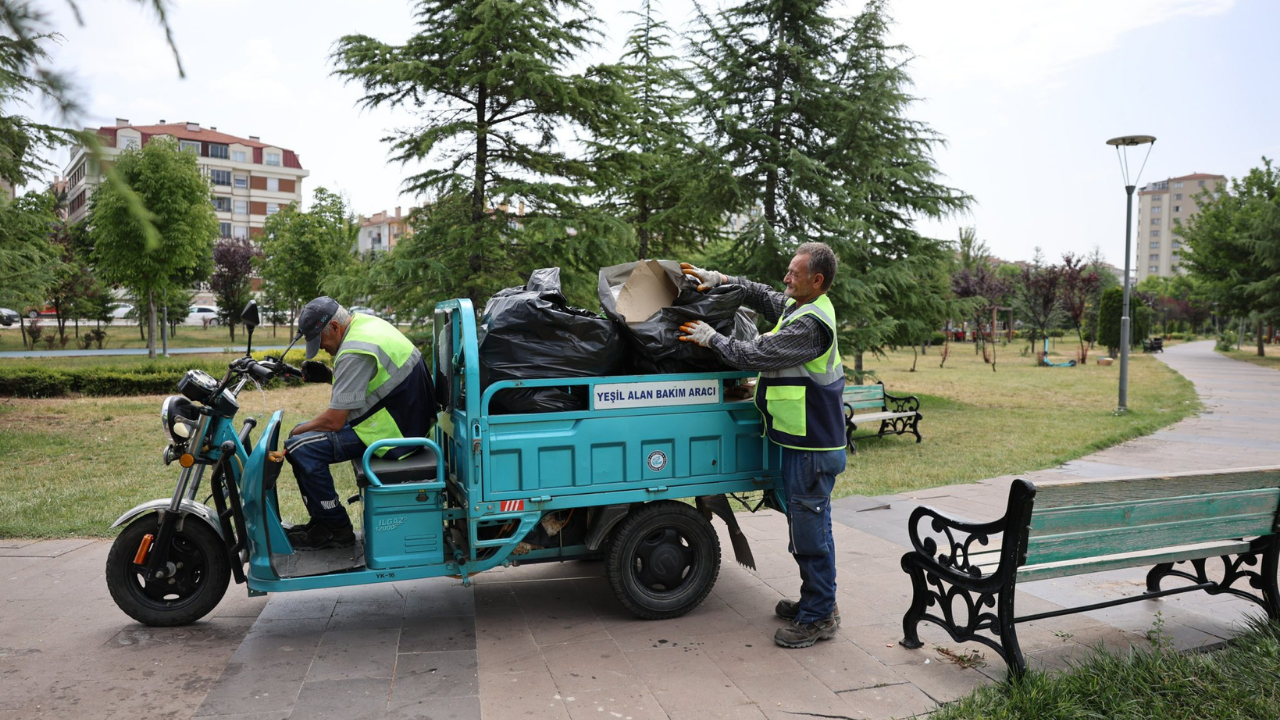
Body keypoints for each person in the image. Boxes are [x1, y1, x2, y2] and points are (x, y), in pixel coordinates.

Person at [678, 243, 847, 648]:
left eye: (793, 273)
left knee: (811, 532)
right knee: (807, 527)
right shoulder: (798, 305)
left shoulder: (810, 325)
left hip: (813, 446)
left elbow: (755, 353)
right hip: (801, 440)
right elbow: (760, 293)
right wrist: (719, 279)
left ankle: (820, 615)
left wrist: (711, 337)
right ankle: (817, 600)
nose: (786, 279)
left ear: (816, 280)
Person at [284, 297, 436, 549]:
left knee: (300, 446)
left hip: (395, 432)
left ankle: (336, 528)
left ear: (334, 326)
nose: (320, 348)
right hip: (404, 416)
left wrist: (297, 430)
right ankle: (321, 520)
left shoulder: (355, 350)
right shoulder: (366, 325)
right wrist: (329, 377)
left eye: (320, 340)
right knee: (301, 440)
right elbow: (378, 386)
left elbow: (334, 421)